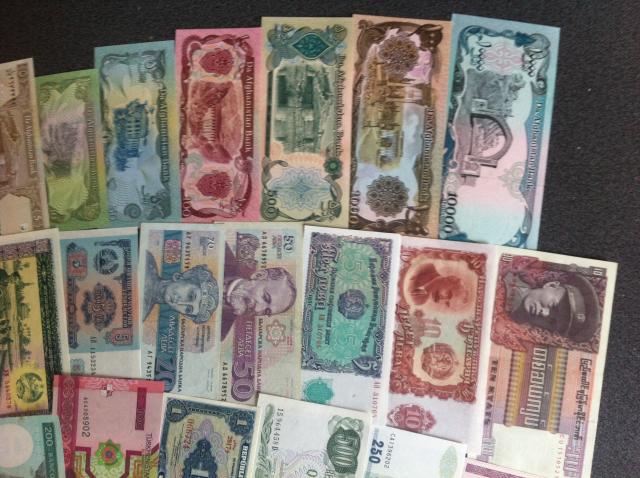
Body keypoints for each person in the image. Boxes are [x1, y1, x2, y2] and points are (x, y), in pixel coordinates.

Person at [222, 243, 296, 340]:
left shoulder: (221, 332)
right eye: (265, 297)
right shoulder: (222, 251)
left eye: (266, 311)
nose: (257, 309)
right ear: (259, 275)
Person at [504, 271, 601, 343]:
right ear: (551, 285)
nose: (544, 314)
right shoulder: (507, 274)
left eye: (552, 322)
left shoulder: (510, 335)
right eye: (553, 306)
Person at [143, 251, 219, 324]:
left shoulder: (142, 315)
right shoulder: (146, 261)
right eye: (190, 296)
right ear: (179, 277)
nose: (181, 303)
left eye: (188, 309)